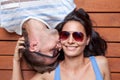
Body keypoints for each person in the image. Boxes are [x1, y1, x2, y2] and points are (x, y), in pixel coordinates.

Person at [28, 8, 111, 80]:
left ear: (87, 40)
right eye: (65, 35)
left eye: (78, 36)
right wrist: (16, 61)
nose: (70, 41)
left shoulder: (100, 64)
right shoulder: (51, 73)